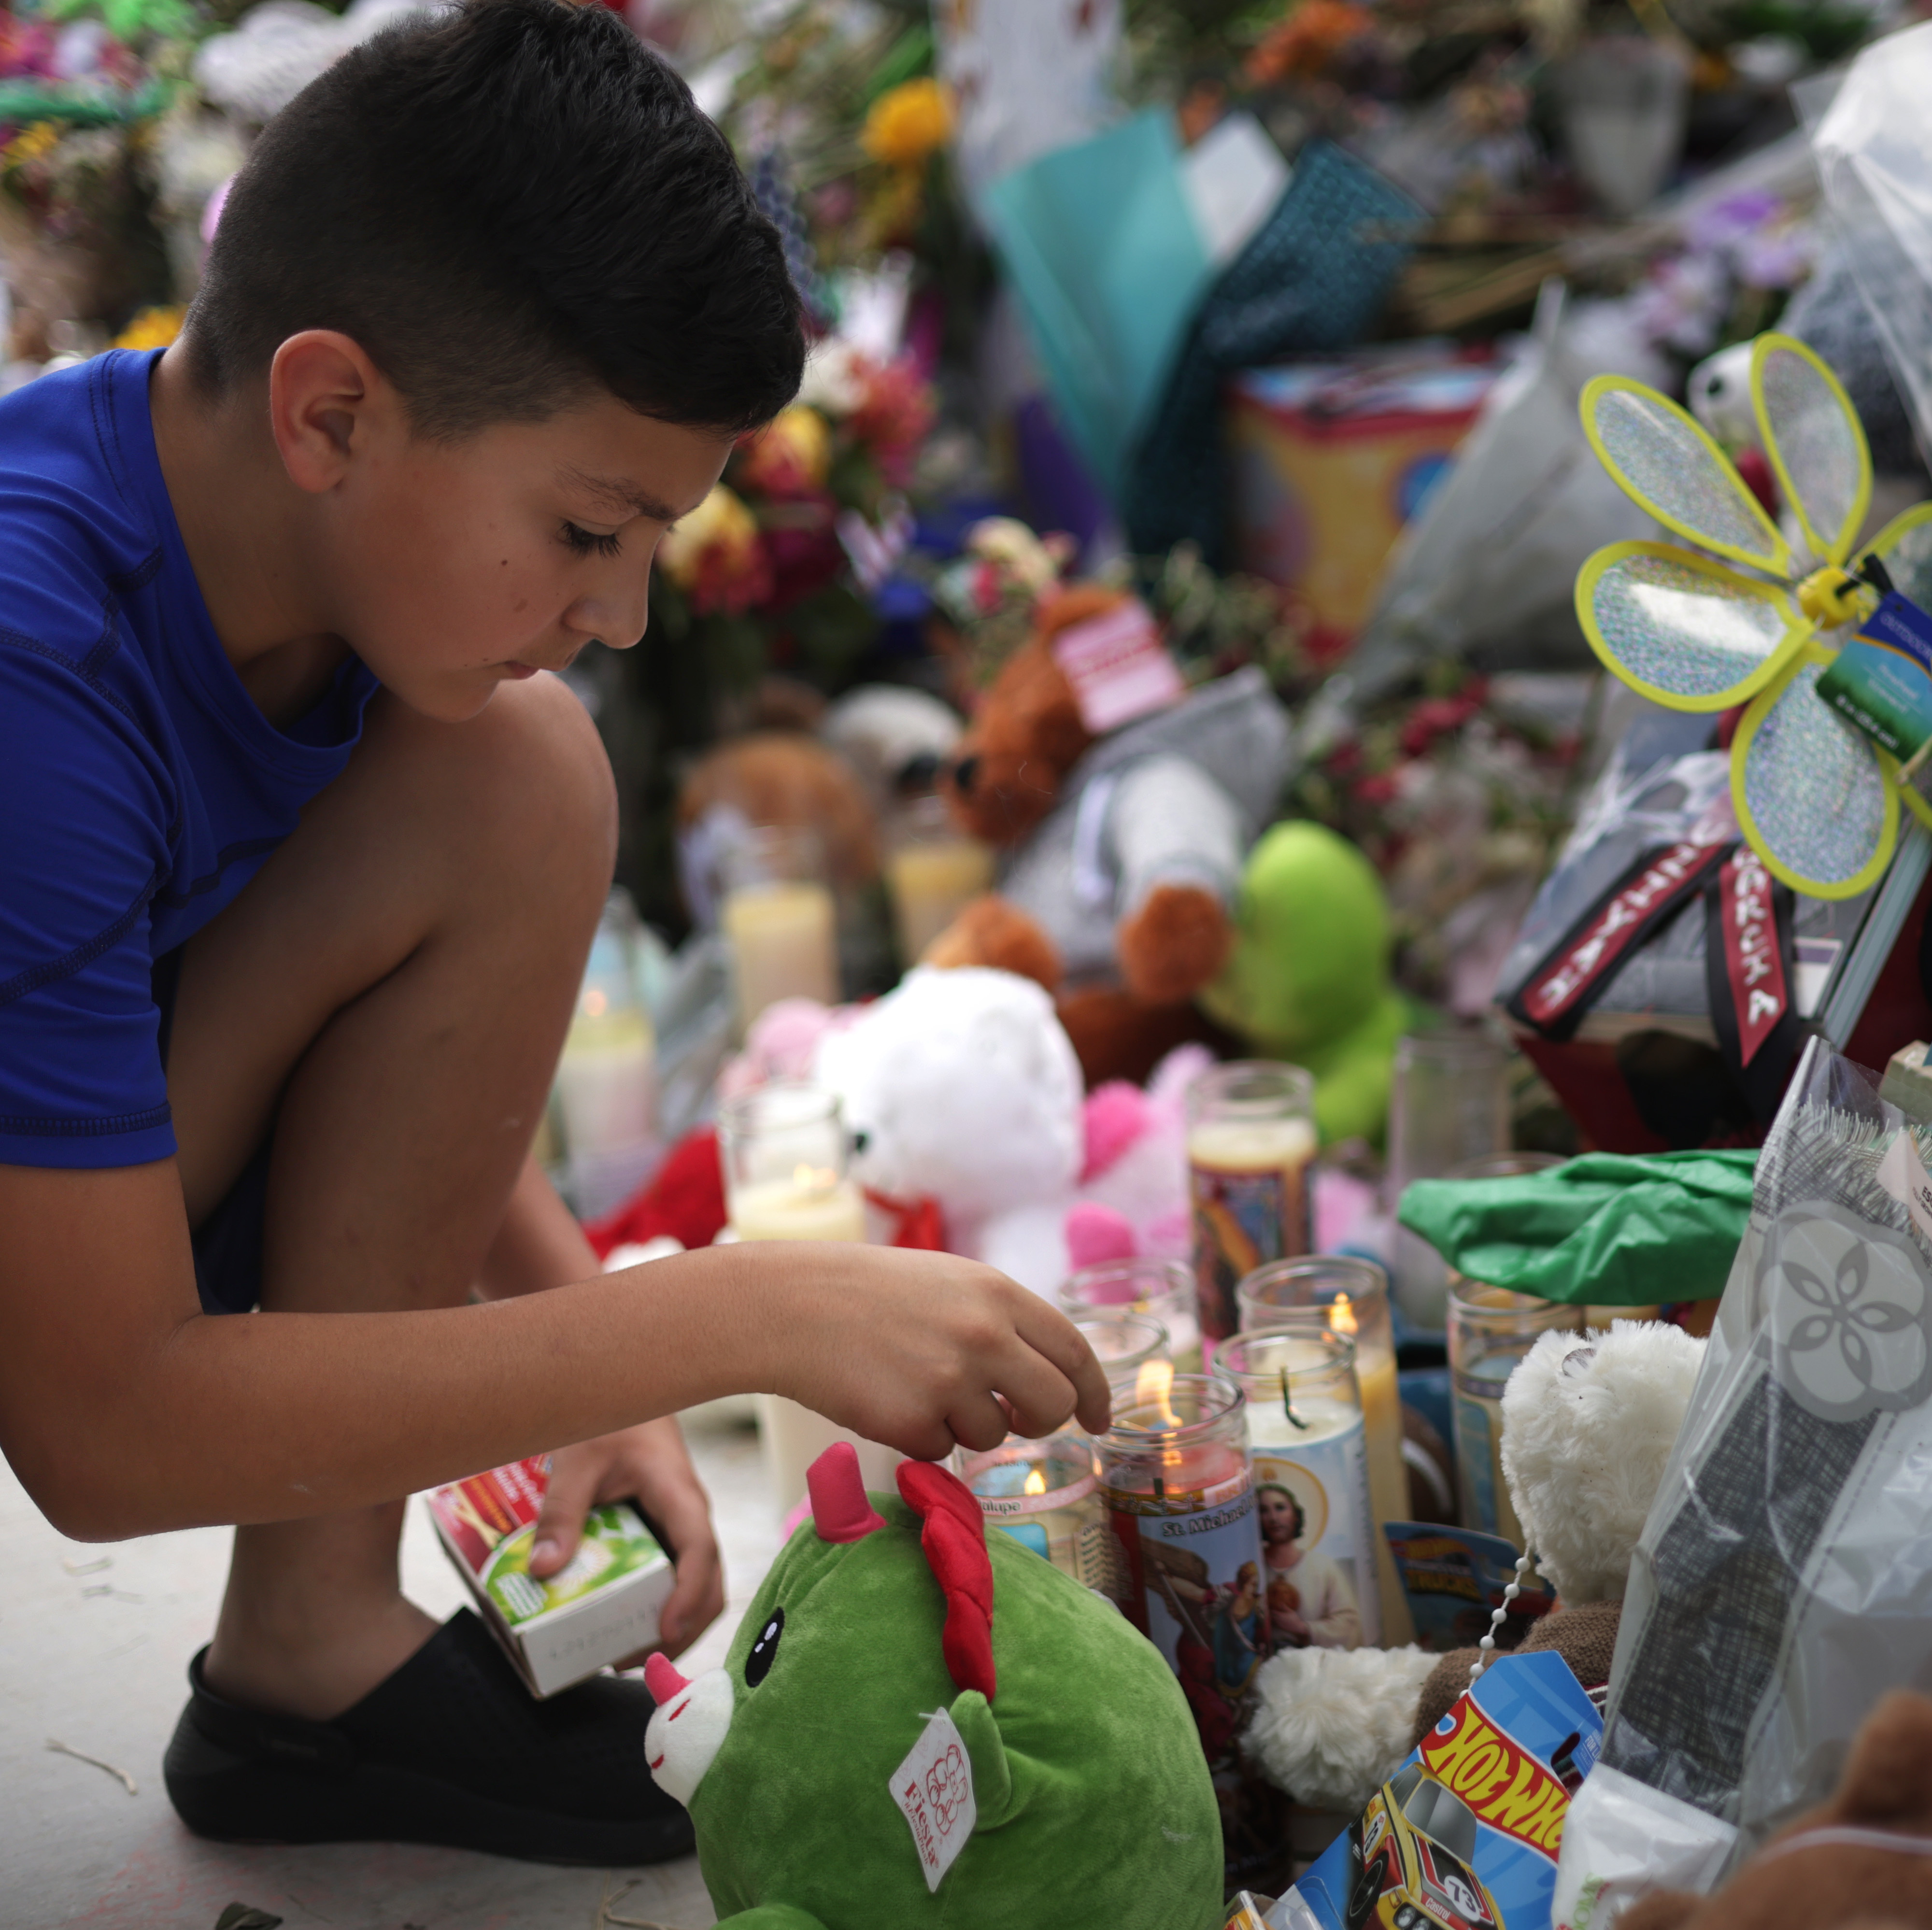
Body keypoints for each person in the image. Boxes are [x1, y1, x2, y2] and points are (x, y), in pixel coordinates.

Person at [0, 0, 1107, 1870]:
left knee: (516, 772)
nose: (624, 613)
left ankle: (312, 1659)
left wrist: (580, 1311)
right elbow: (98, 1434)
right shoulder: (34, 657)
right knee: (516, 754)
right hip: (66, 1315)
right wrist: (731, 1316)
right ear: (333, 410)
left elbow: (322, 992)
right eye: (592, 528)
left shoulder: (294, 550)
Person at [1256, 1480, 1362, 1649]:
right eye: (1263, 1511)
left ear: (1295, 1515)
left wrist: (1303, 1628)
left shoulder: (1323, 1567)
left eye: (1280, 1508)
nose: (1273, 1518)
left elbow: (1349, 1622)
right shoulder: (1253, 1569)